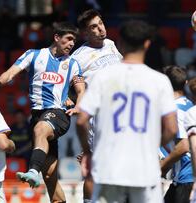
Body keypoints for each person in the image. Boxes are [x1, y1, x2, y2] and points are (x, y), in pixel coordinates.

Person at [76, 19, 178, 203]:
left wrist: (88, 152)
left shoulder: (103, 78)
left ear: (121, 43)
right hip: (145, 168)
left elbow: (81, 120)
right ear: (147, 44)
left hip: (109, 167)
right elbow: (171, 129)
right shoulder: (159, 80)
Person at [0, 22, 86, 202]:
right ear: (57, 38)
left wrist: (78, 105)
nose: (72, 44)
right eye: (68, 39)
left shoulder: (72, 64)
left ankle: (33, 170)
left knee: (41, 129)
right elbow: (10, 74)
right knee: (50, 177)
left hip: (58, 114)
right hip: (36, 115)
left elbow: (81, 90)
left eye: (74, 40)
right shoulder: (34, 55)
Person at [70, 9, 122, 202]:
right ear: (85, 33)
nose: (100, 28)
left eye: (100, 23)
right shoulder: (78, 57)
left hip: (122, 112)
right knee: (95, 168)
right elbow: (69, 87)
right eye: (93, 26)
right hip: (99, 117)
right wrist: (71, 101)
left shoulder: (111, 44)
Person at [160, 66, 194, 203]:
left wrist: (162, 166)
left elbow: (183, 146)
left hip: (186, 177)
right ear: (185, 83)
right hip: (188, 176)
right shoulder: (190, 104)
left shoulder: (175, 110)